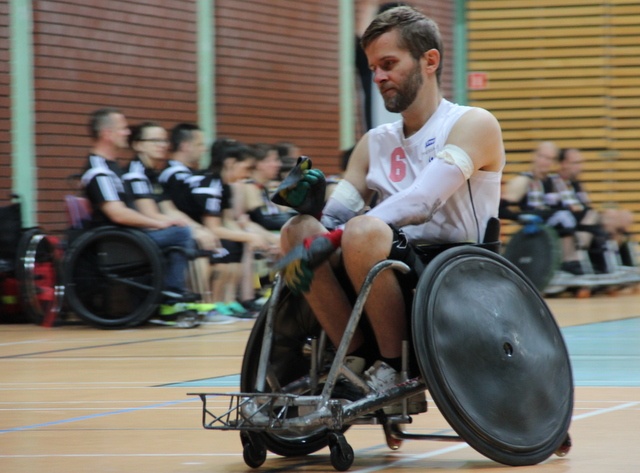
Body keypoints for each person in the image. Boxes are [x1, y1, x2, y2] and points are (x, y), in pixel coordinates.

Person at [277, 6, 504, 414]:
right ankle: (357, 356)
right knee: (298, 229)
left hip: (453, 271)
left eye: (388, 64)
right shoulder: (373, 142)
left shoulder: (473, 123)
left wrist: (340, 234)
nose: (378, 77)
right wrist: (311, 208)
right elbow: (332, 221)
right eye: (372, 68)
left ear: (429, 60)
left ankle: (396, 368)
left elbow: (421, 202)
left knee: (364, 230)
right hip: (378, 262)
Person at [80, 108, 199, 328]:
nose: (127, 132)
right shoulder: (99, 171)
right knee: (181, 233)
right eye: (123, 128)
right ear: (107, 133)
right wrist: (159, 222)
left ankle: (167, 302)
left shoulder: (112, 167)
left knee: (178, 235)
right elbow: (117, 213)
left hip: (131, 237)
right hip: (118, 245)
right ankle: (171, 300)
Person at [500, 142, 600, 275]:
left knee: (591, 217)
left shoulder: (555, 182)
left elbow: (574, 207)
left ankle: (594, 262)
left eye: (551, 159)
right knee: (563, 217)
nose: (546, 162)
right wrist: (520, 217)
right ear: (535, 156)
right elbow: (500, 209)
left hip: (554, 223)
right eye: (543, 157)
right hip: (536, 224)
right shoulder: (523, 180)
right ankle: (569, 262)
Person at [551, 148, 633, 272]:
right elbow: (560, 210)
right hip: (570, 226)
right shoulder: (553, 183)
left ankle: (622, 266)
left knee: (623, 217)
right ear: (564, 164)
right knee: (605, 219)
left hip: (584, 222)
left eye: (581, 163)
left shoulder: (576, 184)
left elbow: (585, 206)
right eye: (576, 163)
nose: (580, 167)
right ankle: (607, 268)